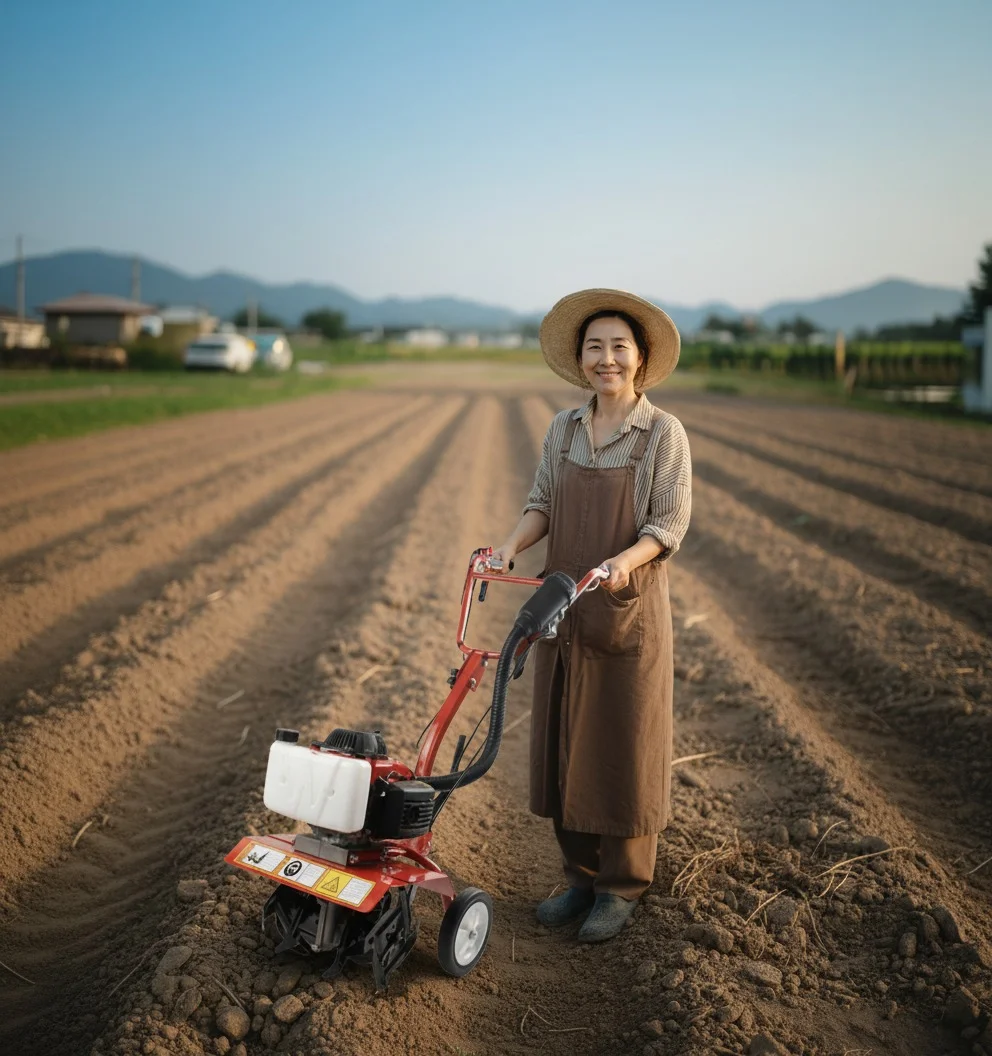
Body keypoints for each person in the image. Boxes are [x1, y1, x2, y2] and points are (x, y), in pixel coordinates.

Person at [492, 288, 691, 942]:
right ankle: (579, 876)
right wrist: (510, 545)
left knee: (625, 744)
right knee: (565, 736)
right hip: (564, 609)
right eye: (595, 347)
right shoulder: (564, 429)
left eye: (619, 347)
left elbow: (667, 524)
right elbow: (542, 501)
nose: (607, 359)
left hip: (625, 611)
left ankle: (621, 887)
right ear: (581, 361)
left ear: (640, 359)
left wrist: (624, 563)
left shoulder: (662, 433)